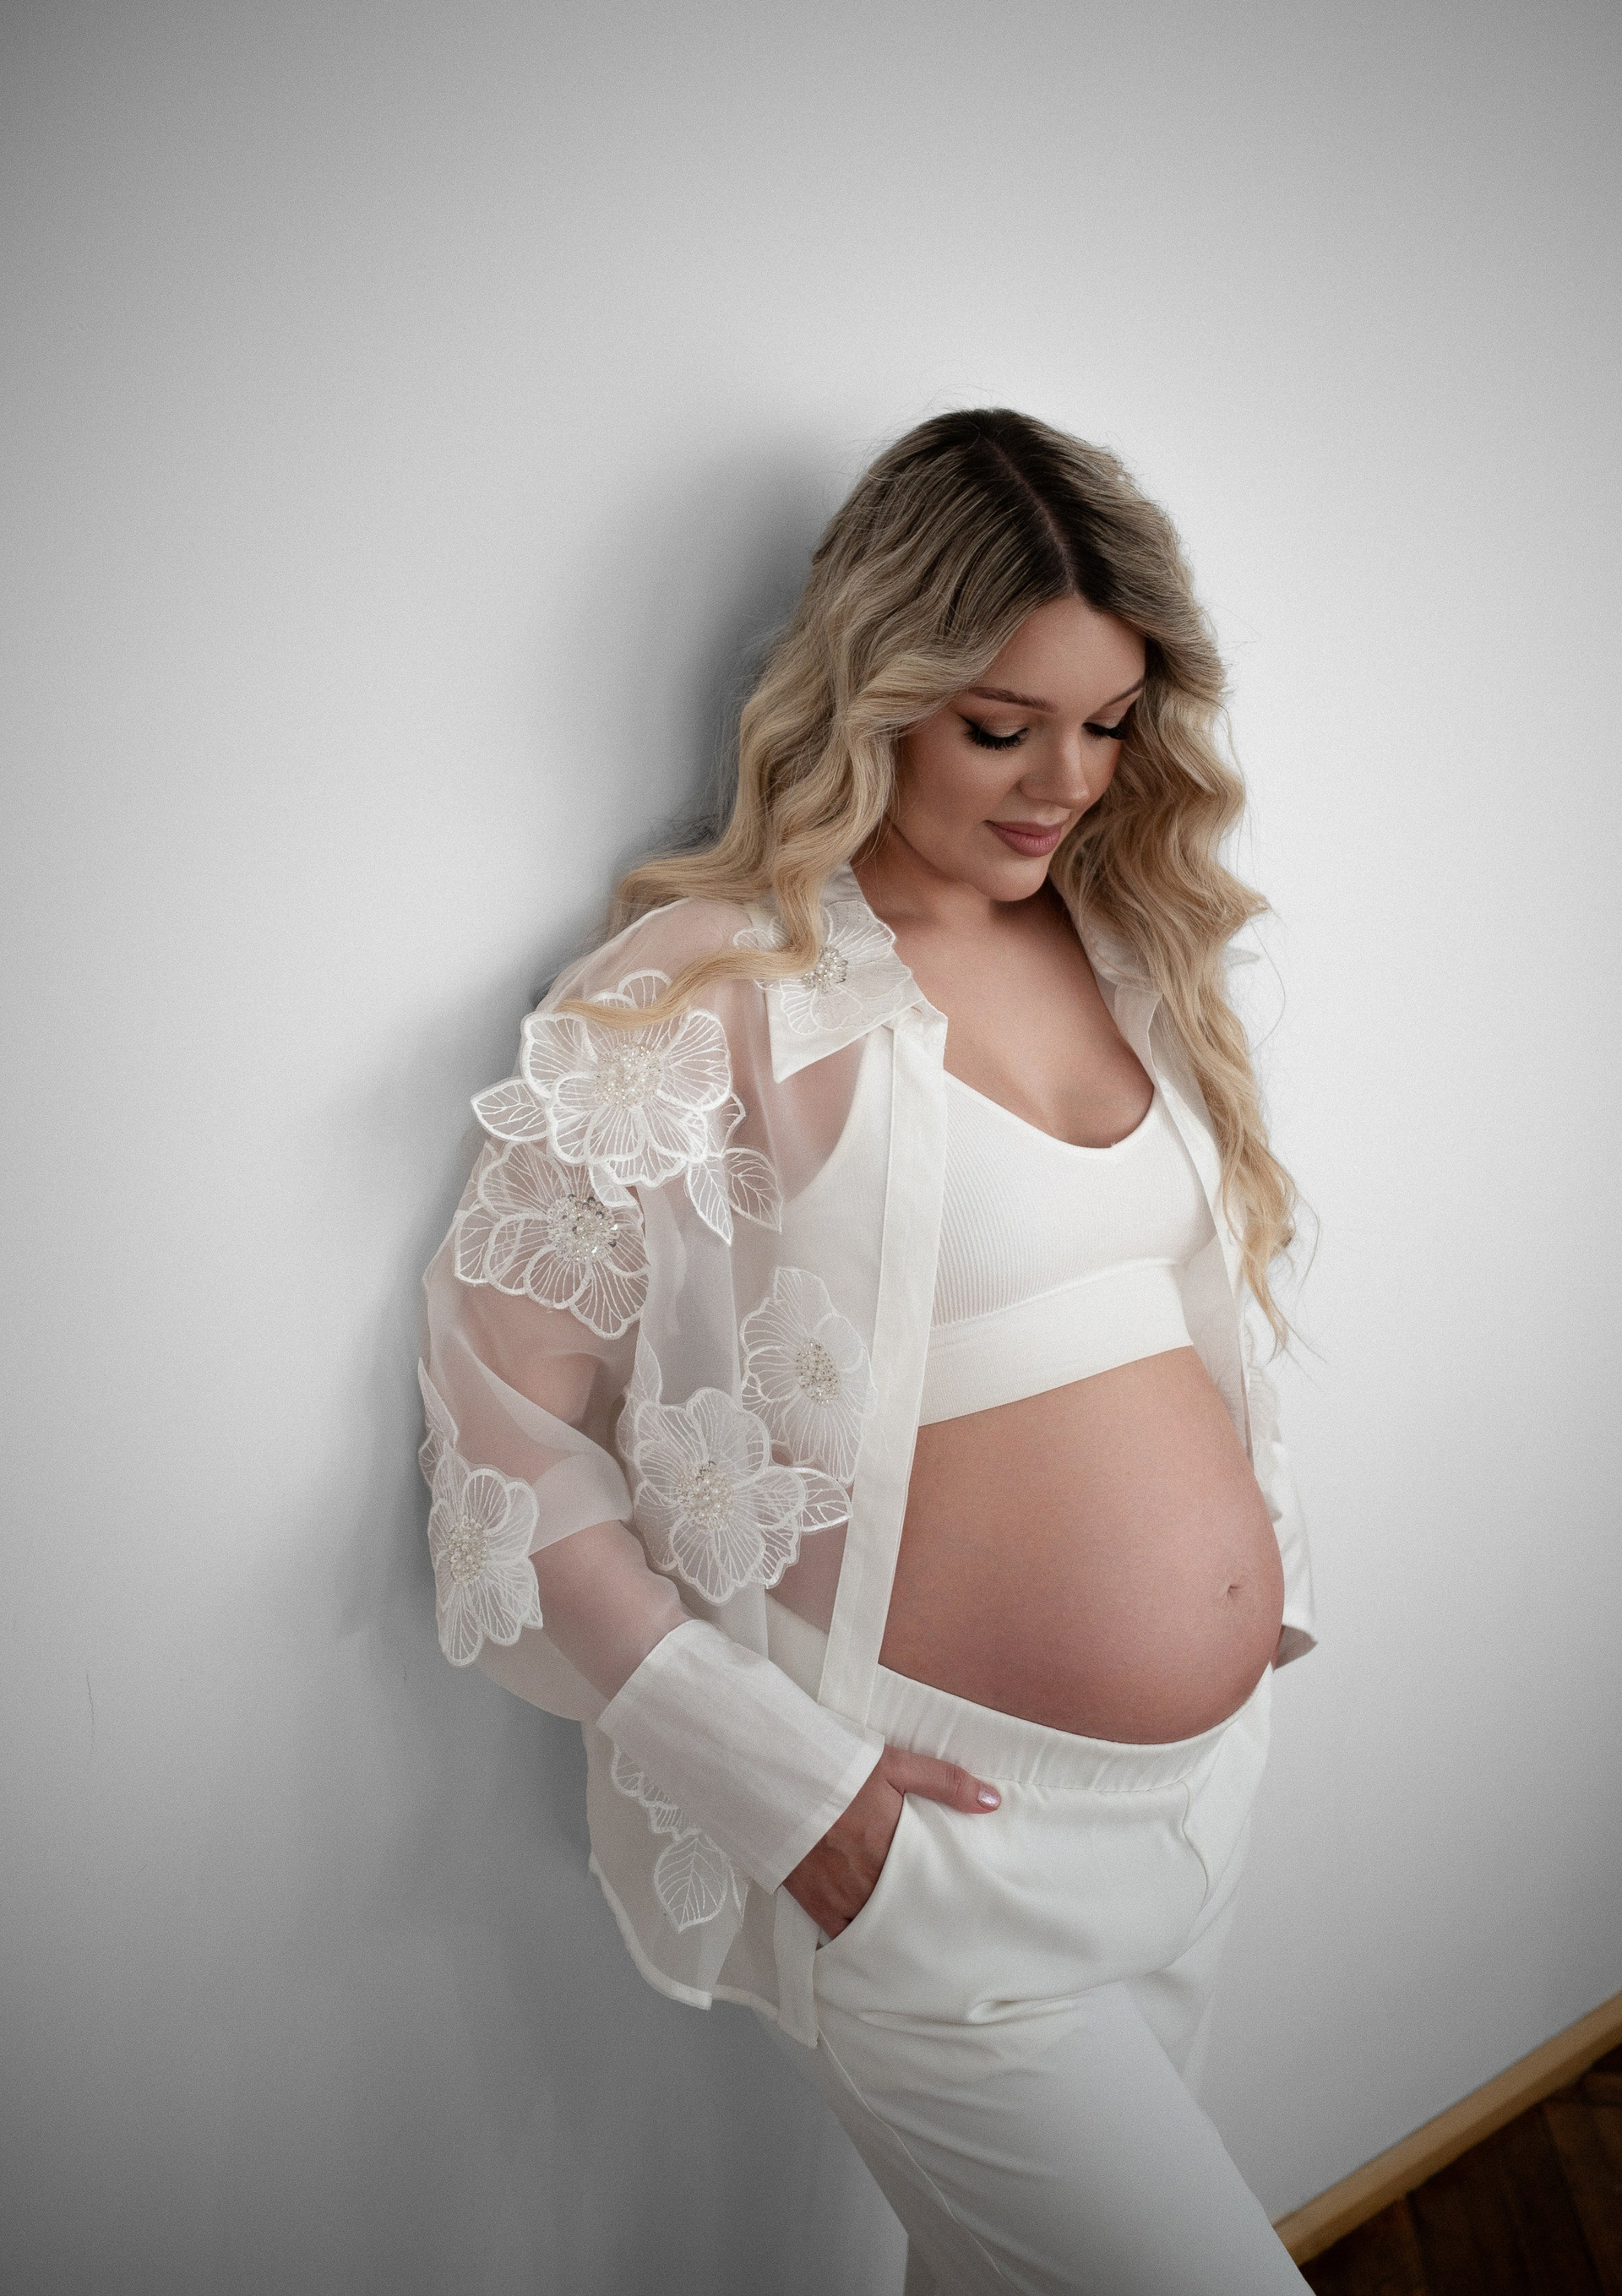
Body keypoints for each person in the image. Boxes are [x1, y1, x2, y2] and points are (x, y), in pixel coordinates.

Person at [418, 407, 1315, 2293]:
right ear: (874, 691)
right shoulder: (707, 991)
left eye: (1111, 721)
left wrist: (1251, 1593)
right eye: (1001, 727)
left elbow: (1171, 1319)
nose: (1067, 781)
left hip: (1199, 1809)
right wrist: (776, 1784)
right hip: (939, 1857)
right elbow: (500, 1440)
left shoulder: (1124, 941)